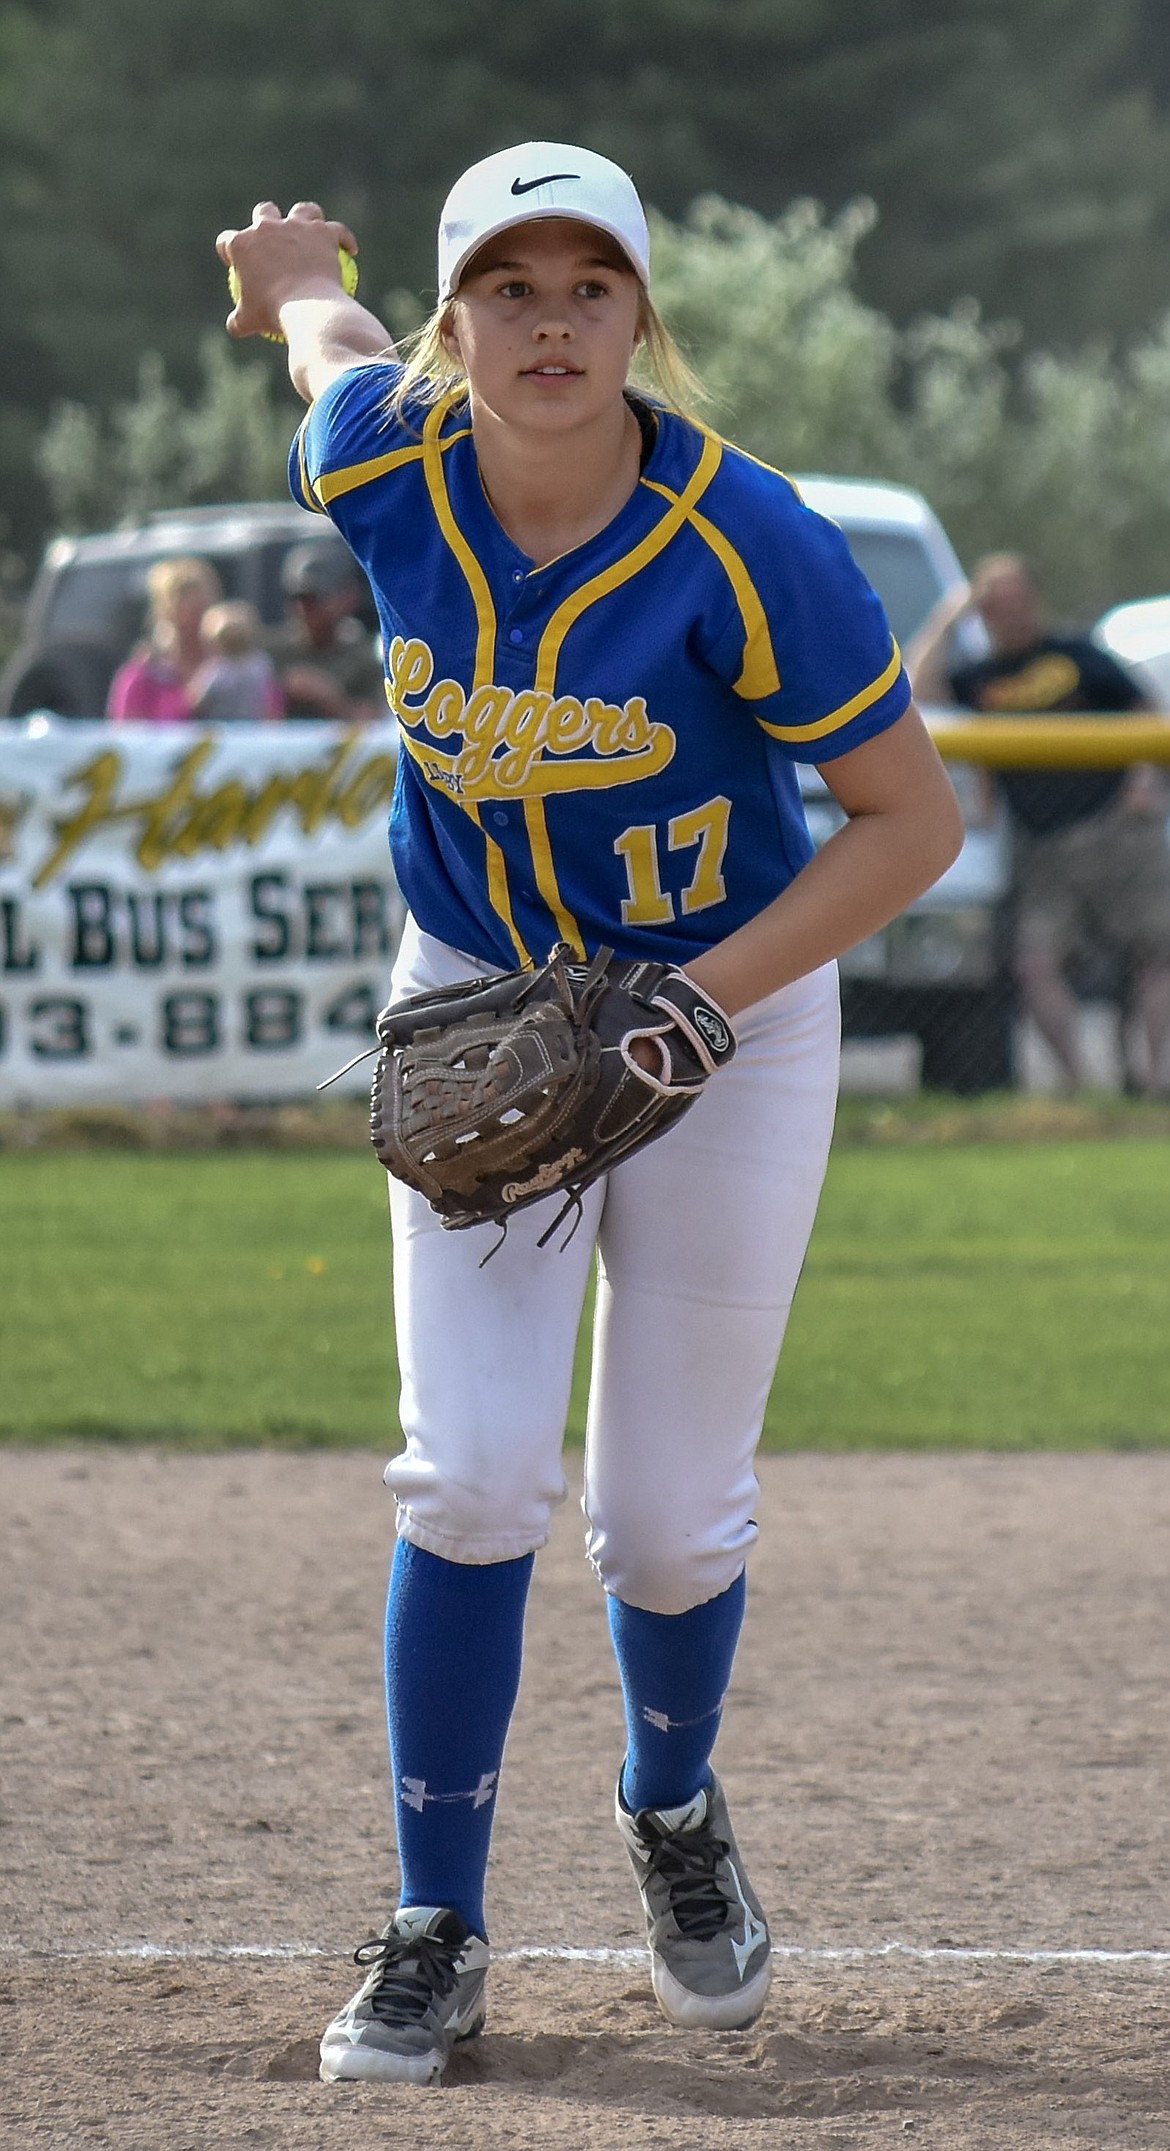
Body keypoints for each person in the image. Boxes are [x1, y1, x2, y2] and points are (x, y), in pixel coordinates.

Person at [218, 143, 963, 2088]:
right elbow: (330, 349)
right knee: (467, 1476)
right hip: (478, 992)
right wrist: (295, 278)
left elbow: (917, 822)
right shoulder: (389, 455)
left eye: (591, 288)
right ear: (463, 326)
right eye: (511, 292)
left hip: (727, 1013)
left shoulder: (750, 542)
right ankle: (438, 1921)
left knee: (663, 1517)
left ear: (644, 318)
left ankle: (671, 1806)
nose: (552, 325)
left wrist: (693, 1002)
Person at [907, 552, 1170, 1095]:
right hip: (1043, 848)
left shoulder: (1076, 655)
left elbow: (1144, 709)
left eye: (1016, 596)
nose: (1009, 610)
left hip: (1118, 833)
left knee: (1157, 953)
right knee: (1034, 964)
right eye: (995, 601)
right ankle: (1079, 1087)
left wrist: (1143, 781)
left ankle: (1158, 1083)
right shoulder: (980, 677)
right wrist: (953, 612)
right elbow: (914, 686)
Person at [271, 539, 384, 719]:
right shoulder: (273, 654)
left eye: (316, 599)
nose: (305, 609)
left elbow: (378, 723)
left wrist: (331, 700)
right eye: (299, 599)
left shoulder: (365, 659)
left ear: (347, 597)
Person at [106, 555, 221, 722]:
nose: (195, 617)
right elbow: (125, 739)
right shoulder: (142, 675)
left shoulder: (237, 667)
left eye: (202, 605)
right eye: (183, 605)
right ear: (164, 611)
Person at [188, 598, 284, 721]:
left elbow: (195, 702)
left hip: (228, 733)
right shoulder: (261, 663)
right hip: (250, 732)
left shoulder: (217, 670)